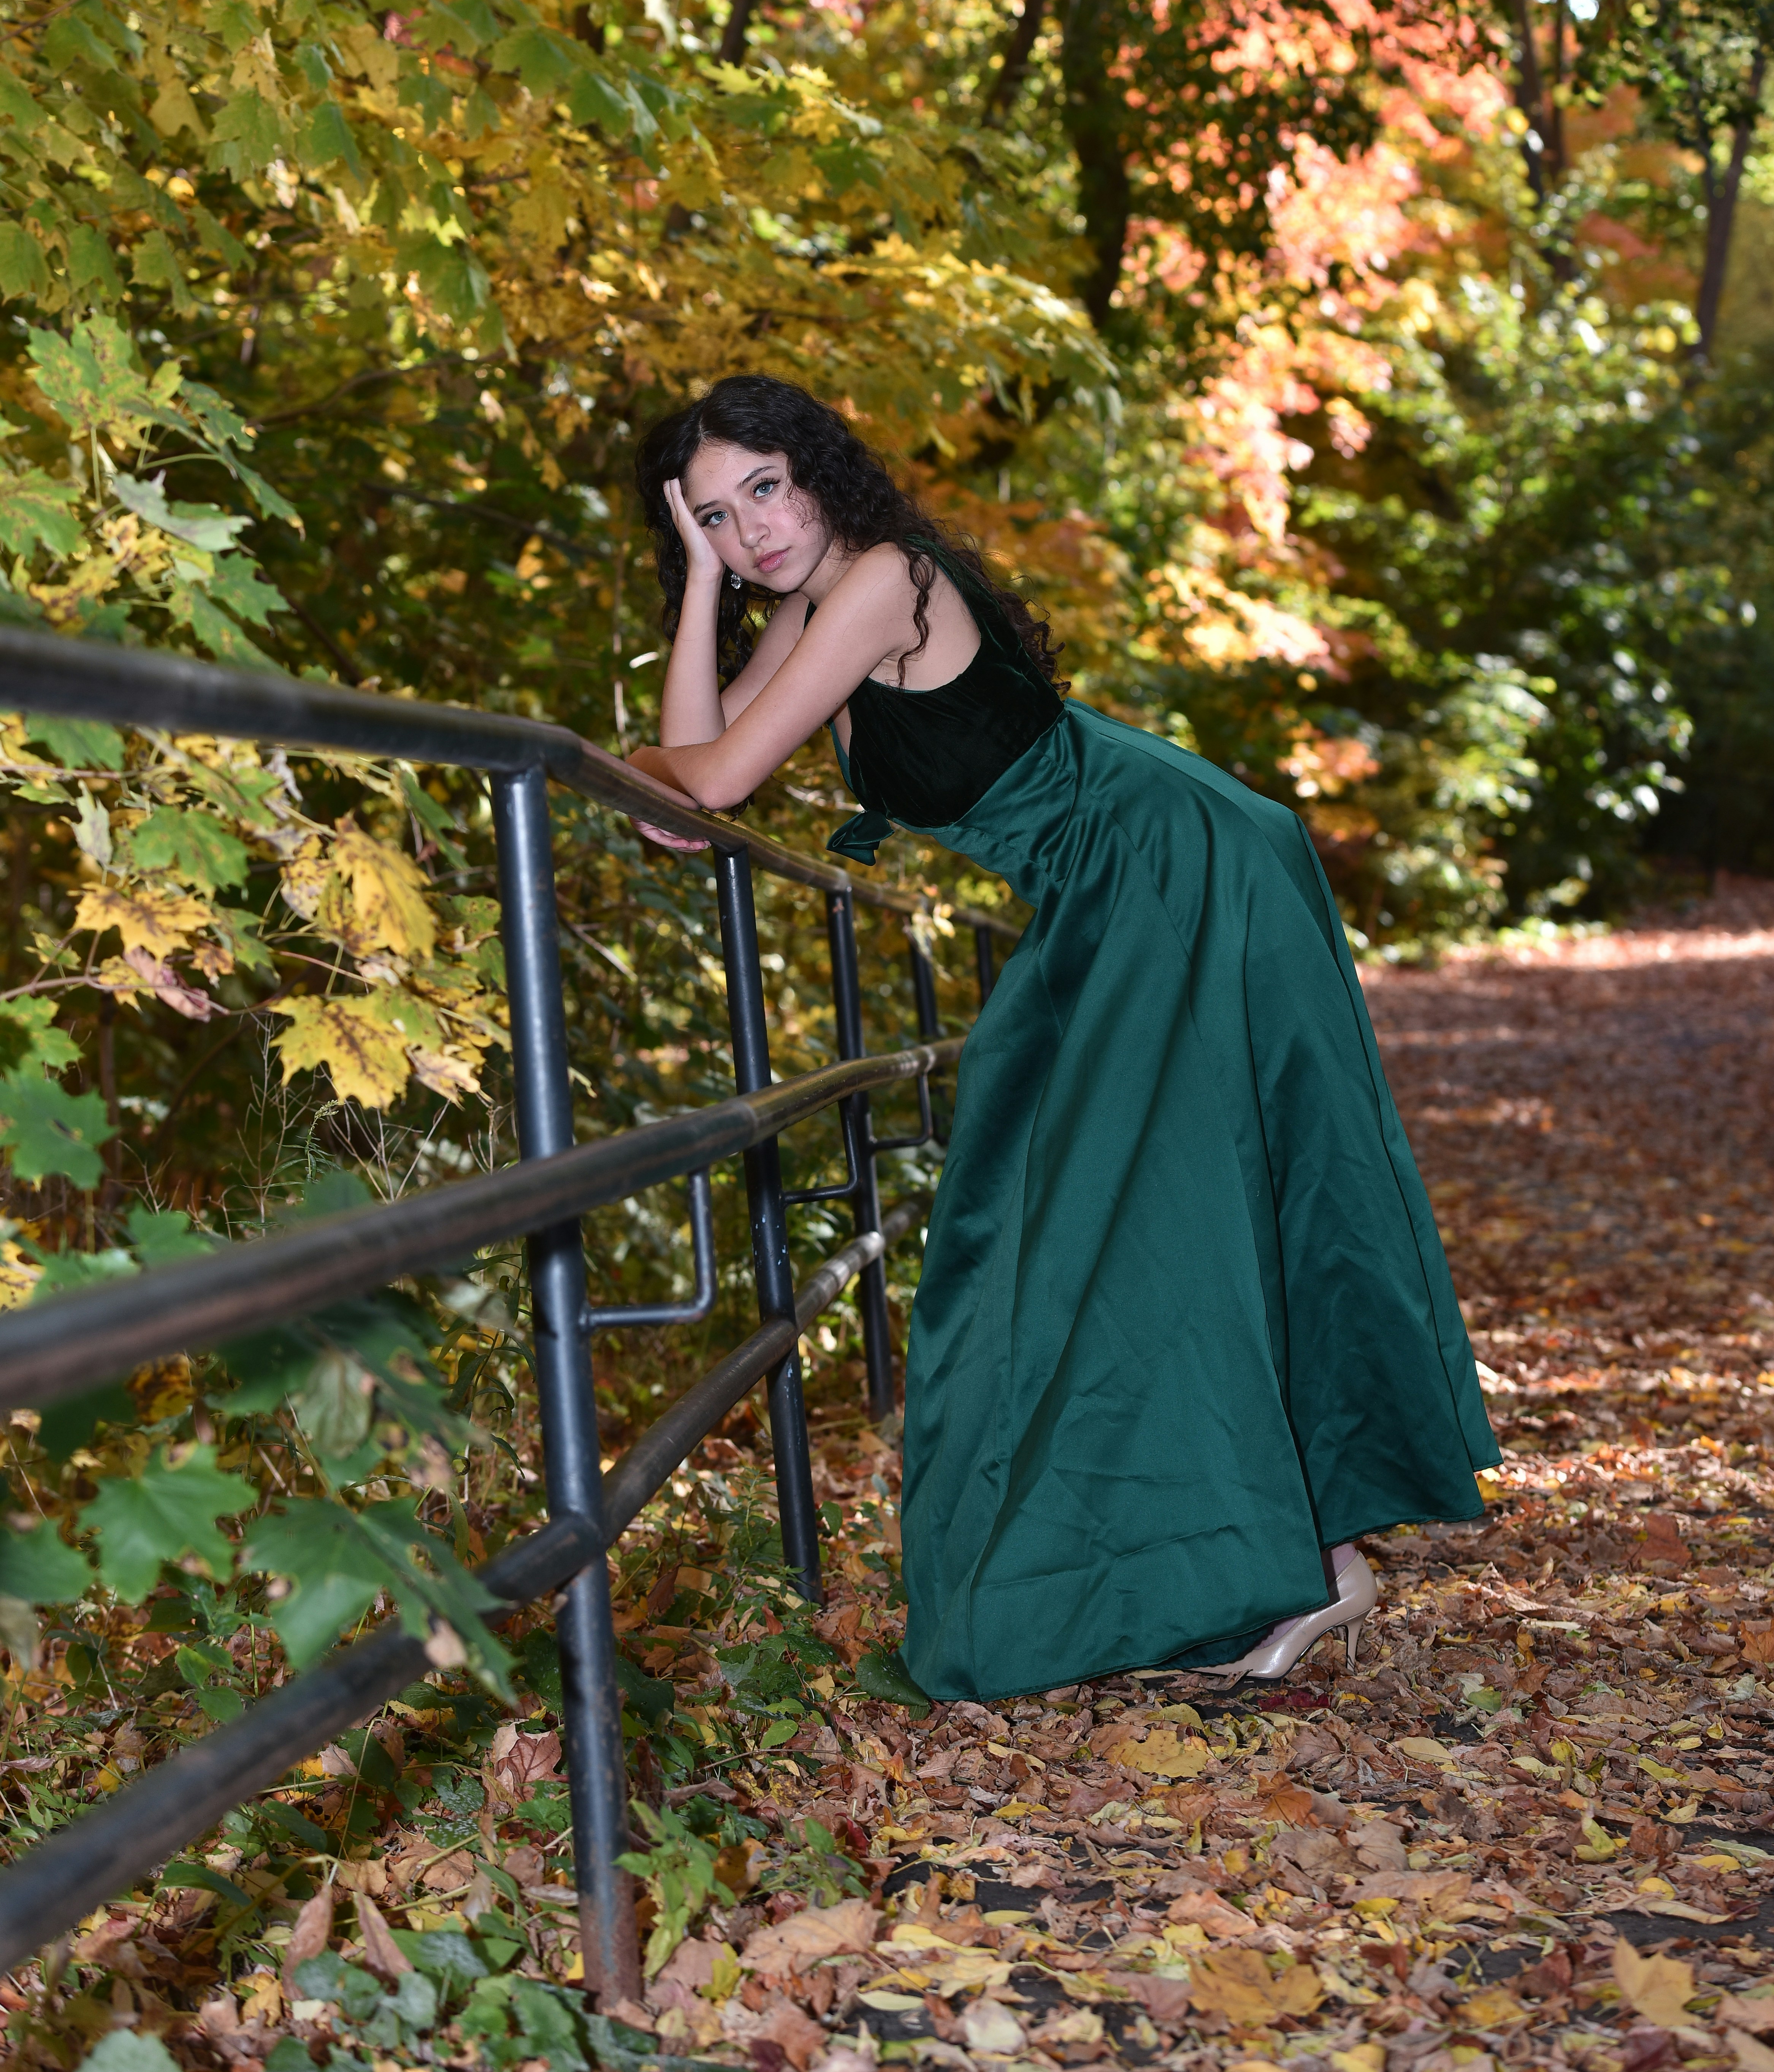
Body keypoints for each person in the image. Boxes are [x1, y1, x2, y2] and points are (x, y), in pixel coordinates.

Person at [625, 374, 1499, 1704]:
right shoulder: (806, 600)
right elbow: (689, 776)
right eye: (715, 520)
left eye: (764, 490)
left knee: (1129, 1209)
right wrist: (696, 586)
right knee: (1086, 1212)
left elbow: (716, 779)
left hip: (1166, 860)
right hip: (1116, 878)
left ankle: (1298, 1555)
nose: (753, 532)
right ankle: (1304, 1550)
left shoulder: (878, 582)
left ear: (817, 470)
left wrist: (625, 754)